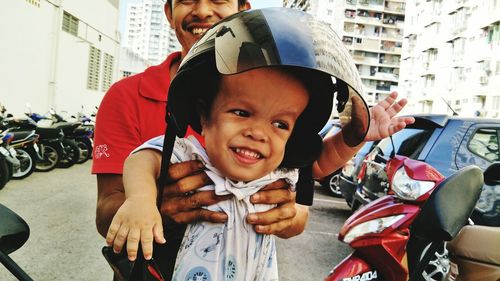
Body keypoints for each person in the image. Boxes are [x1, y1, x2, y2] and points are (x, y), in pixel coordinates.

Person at [105, 8, 414, 280]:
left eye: (280, 124)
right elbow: (143, 159)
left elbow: (321, 160)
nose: (259, 133)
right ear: (204, 115)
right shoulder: (192, 154)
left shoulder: (274, 169)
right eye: (241, 113)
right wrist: (142, 202)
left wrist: (355, 134)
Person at [93, 1, 311, 279]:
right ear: (169, 13)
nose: (203, 10)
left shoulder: (276, 97)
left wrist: (288, 215)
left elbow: (301, 208)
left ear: (243, 10)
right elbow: (107, 212)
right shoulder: (127, 96)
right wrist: (150, 202)